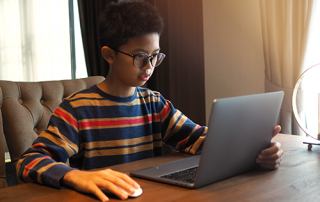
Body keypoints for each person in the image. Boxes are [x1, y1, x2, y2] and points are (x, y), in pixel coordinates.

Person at [16, 1, 283, 202]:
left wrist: (256, 150)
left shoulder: (154, 103)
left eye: (155, 56)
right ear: (109, 55)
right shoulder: (78, 109)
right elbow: (28, 161)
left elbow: (199, 139)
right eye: (140, 56)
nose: (150, 67)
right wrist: (76, 175)